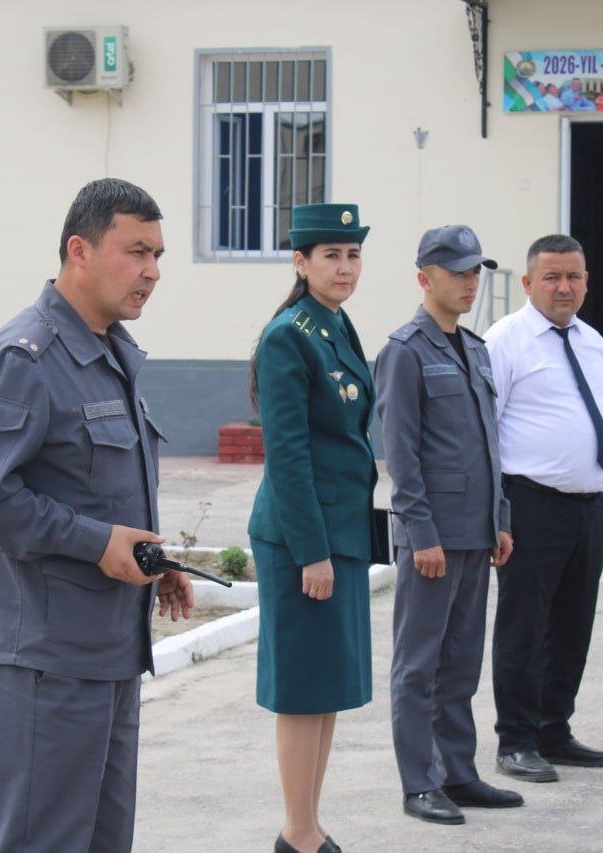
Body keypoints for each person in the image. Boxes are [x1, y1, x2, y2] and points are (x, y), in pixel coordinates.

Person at [0, 178, 195, 852]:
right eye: (136, 251)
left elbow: (94, 486)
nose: (152, 271)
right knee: (42, 840)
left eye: (159, 254)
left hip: (107, 647)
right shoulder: (23, 358)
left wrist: (148, 559)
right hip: (46, 657)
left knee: (102, 840)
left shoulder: (107, 352)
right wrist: (96, 542)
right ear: (78, 250)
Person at [374, 225, 522, 825]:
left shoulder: (477, 349)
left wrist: (501, 520)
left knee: (461, 661)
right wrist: (422, 531)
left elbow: (492, 444)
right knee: (419, 664)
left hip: (475, 531)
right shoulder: (404, 351)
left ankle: (458, 774)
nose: (469, 283)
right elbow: (399, 452)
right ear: (424, 278)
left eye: (474, 272)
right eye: (457, 272)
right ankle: (419, 783)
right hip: (431, 536)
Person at [483, 234, 603, 784]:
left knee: (573, 624)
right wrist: (495, 513)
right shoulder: (505, 341)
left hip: (588, 508)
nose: (564, 287)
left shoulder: (594, 343)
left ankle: (555, 730)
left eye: (574, 276)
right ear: (528, 284)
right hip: (530, 504)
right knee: (525, 627)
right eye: (551, 277)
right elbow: (485, 430)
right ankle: (517, 741)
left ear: (587, 282)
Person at [247, 203, 377, 853]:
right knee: (302, 687)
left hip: (339, 529)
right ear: (301, 263)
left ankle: (309, 823)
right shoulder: (288, 336)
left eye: (353, 254)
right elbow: (288, 453)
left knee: (325, 682)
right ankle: (297, 832)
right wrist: (312, 552)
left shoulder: (335, 323)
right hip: (305, 538)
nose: (345, 266)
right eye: (331, 254)